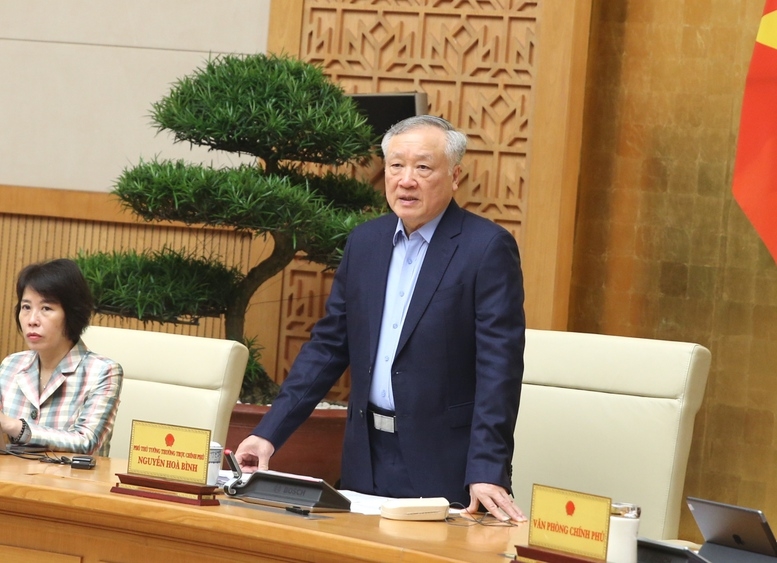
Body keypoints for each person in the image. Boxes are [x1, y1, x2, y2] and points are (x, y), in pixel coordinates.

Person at [235, 115, 526, 520]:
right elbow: (328, 347)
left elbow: (499, 368)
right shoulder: (365, 242)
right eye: (396, 166)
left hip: (445, 464)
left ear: (455, 176)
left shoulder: (487, 247)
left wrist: (487, 469)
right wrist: (268, 433)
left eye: (423, 167)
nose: (406, 180)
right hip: (365, 455)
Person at [0, 258, 123, 456]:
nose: (32, 320)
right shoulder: (11, 365)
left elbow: (88, 442)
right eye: (26, 307)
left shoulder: (102, 371)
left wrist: (15, 427)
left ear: (72, 314)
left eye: (46, 308)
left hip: (70, 476)